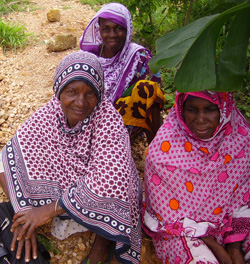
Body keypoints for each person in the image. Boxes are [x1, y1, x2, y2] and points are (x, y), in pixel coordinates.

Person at [0, 51, 142, 264]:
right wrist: (24, 218)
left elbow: (109, 181)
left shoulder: (109, 122)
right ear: (58, 91)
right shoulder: (50, 113)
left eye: (90, 93)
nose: (81, 102)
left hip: (107, 192)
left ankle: (103, 243)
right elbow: (8, 157)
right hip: (69, 188)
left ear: (100, 94)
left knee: (115, 187)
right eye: (71, 92)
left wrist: (45, 212)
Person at [142, 90, 250, 263]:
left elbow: (243, 201)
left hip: (232, 226)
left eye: (209, 109)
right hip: (180, 233)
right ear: (180, 110)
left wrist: (234, 247)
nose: (200, 119)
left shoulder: (240, 140)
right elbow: (170, 220)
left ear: (224, 108)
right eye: (192, 109)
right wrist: (219, 250)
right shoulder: (164, 151)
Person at [80, 3, 165, 144]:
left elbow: (155, 96)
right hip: (88, 121)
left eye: (119, 28)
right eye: (106, 29)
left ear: (128, 30)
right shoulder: (88, 57)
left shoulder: (139, 57)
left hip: (124, 123)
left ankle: (156, 152)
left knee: (148, 89)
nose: (112, 35)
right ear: (99, 30)